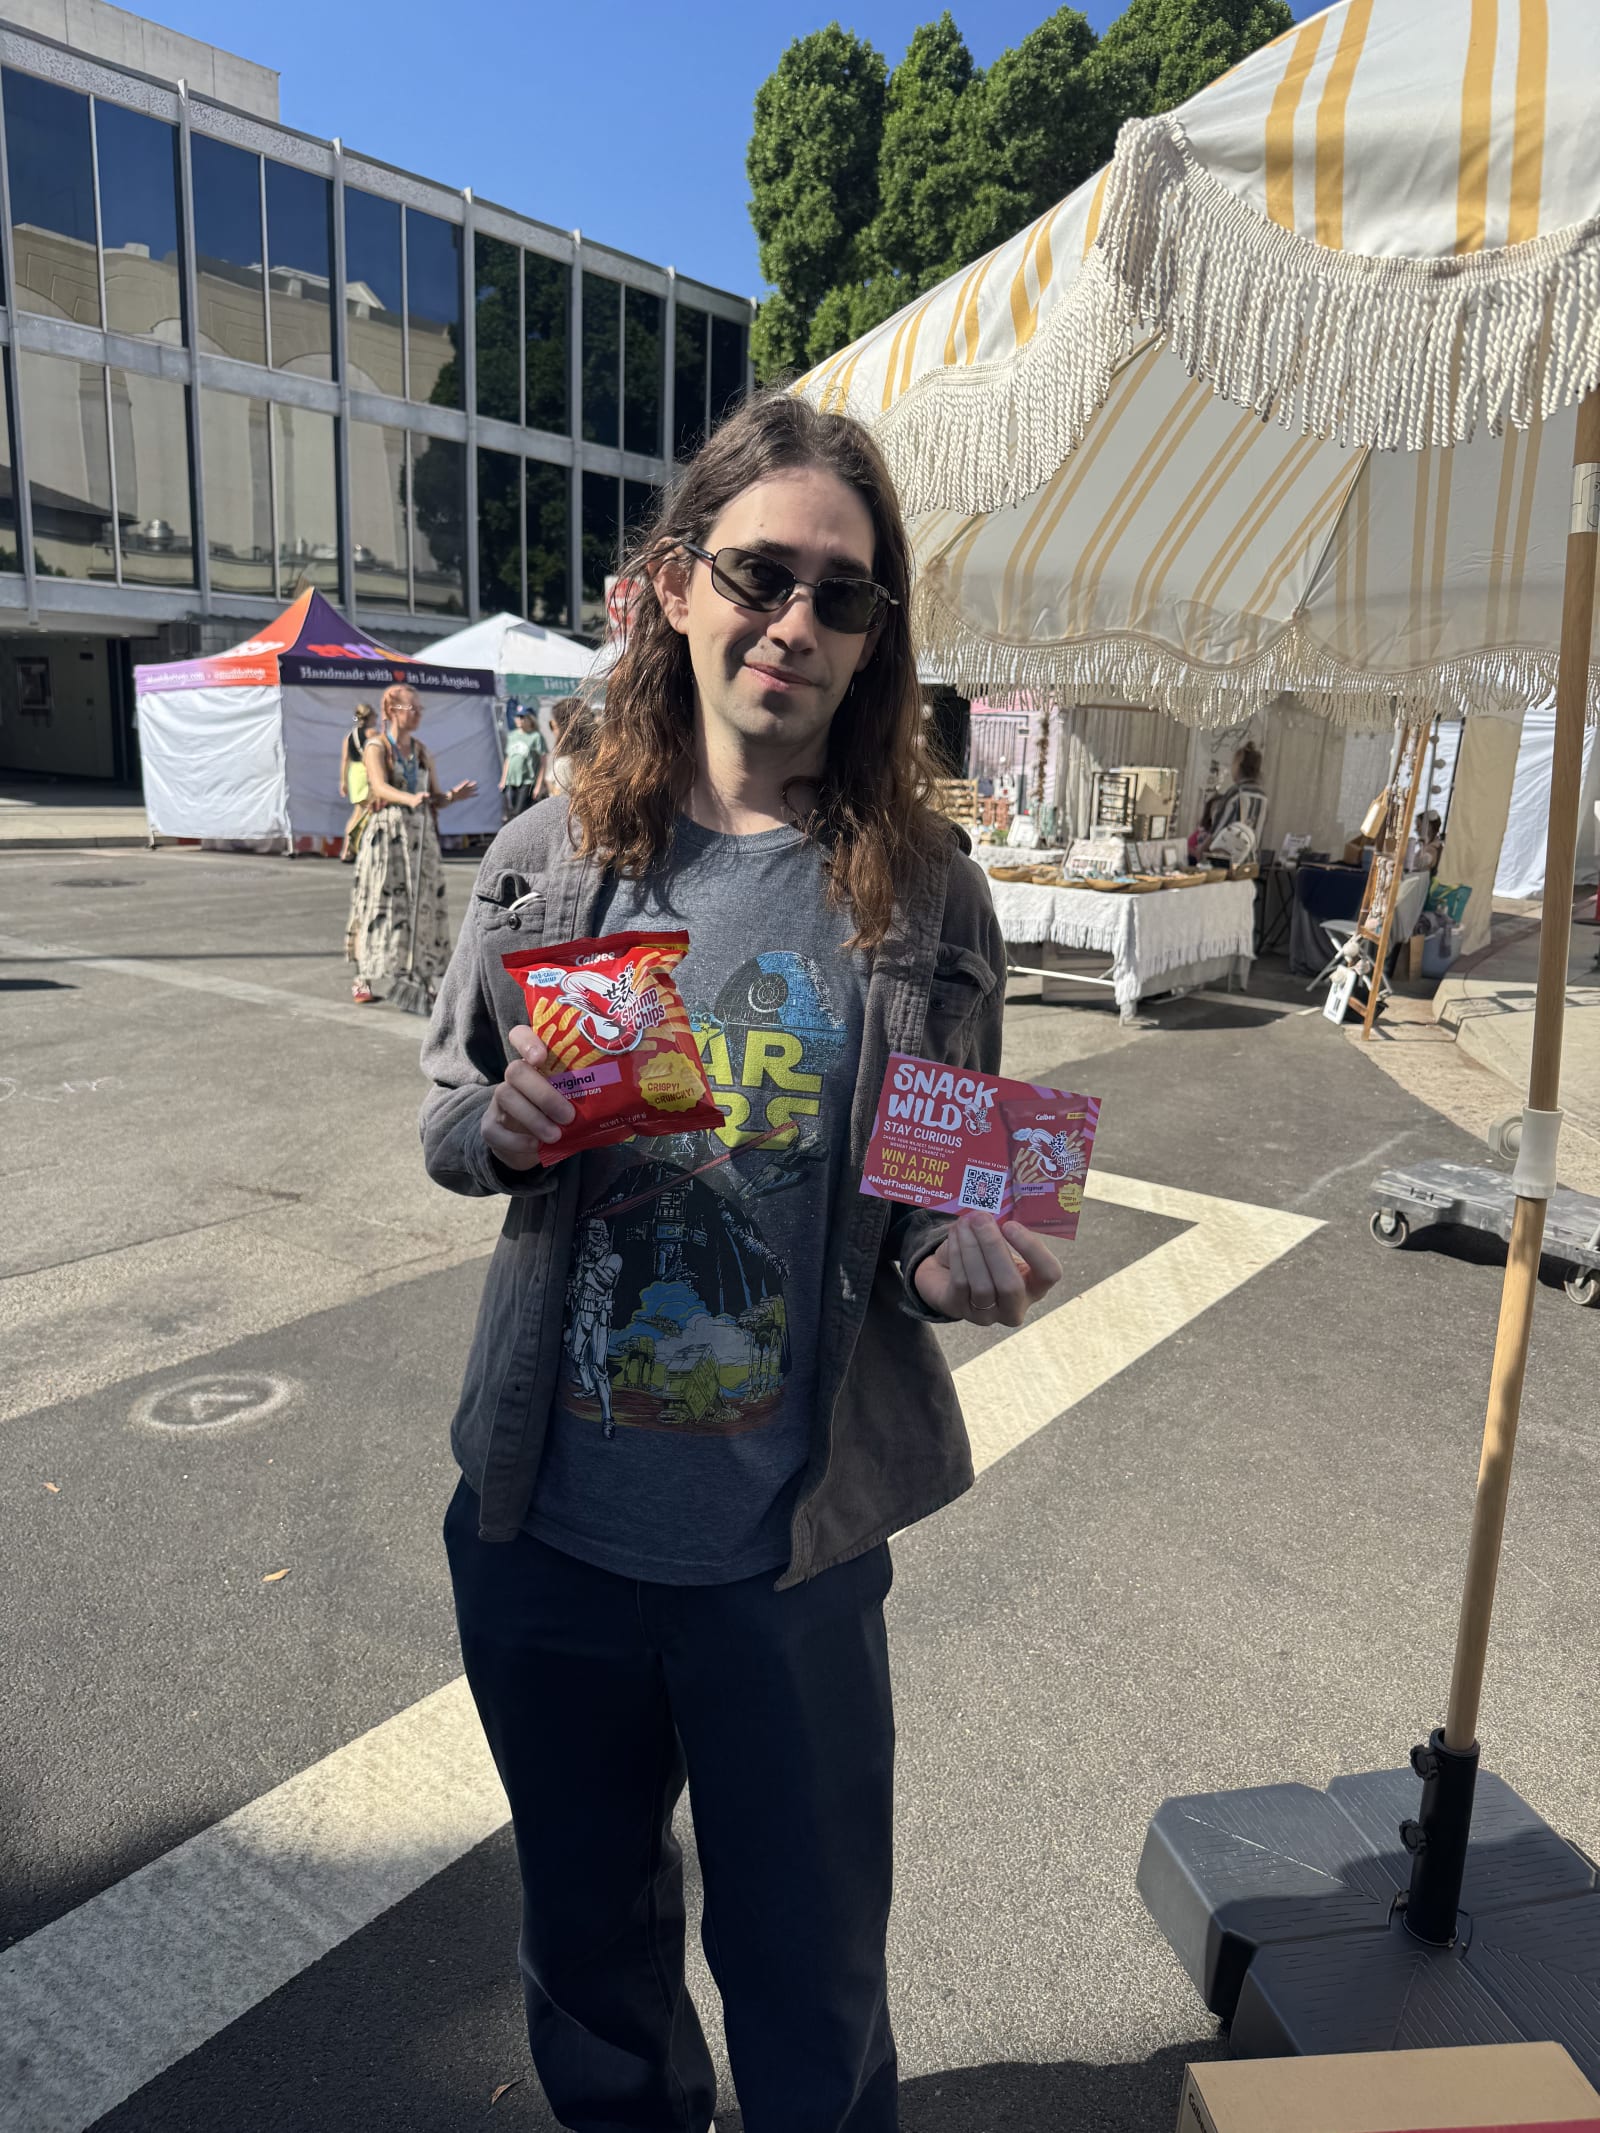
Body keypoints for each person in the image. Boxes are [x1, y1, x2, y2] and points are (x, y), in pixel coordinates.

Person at [420, 392, 1064, 2133]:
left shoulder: (925, 896)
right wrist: (508, 1128)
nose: (796, 621)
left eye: (842, 595)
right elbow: (448, 1107)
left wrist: (960, 1262)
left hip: (787, 1556)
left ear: (876, 643)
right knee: (589, 1954)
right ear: (675, 586)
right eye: (760, 573)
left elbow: (942, 1196)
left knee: (812, 1970)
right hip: (544, 1528)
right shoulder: (553, 865)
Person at [345, 682, 476, 1011]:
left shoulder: (420, 750)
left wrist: (449, 797)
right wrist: (409, 798)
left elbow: (433, 796)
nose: (417, 715)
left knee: (422, 904)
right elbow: (378, 786)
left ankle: (419, 974)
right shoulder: (376, 747)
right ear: (391, 711)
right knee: (379, 903)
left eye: (419, 709)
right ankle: (365, 974)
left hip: (419, 838)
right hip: (387, 835)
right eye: (410, 709)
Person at [1192, 742, 1267, 860]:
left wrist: (1201, 849)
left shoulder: (1236, 792)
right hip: (1251, 860)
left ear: (1239, 765)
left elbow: (1218, 829)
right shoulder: (1263, 797)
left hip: (1227, 860)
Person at [337, 702, 379, 862]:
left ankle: (349, 848)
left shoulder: (349, 736)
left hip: (354, 773)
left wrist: (343, 781)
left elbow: (344, 759)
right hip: (366, 772)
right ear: (369, 717)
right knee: (361, 813)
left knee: (358, 812)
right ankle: (349, 849)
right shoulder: (372, 734)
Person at [498, 707, 546, 816]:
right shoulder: (512, 735)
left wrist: (539, 785)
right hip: (512, 781)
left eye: (522, 717)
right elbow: (508, 759)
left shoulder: (536, 736)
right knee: (513, 811)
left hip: (528, 781)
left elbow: (543, 762)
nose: (519, 719)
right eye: (517, 716)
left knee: (520, 813)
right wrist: (503, 780)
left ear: (530, 719)